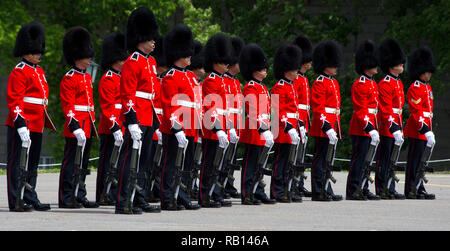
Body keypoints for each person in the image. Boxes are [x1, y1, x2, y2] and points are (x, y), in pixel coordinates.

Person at [115, 7, 161, 214]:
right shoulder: (132, 62)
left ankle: (138, 197)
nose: (154, 42)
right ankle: (123, 199)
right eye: (150, 38)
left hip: (149, 114)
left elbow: (153, 93)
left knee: (144, 161)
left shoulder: (151, 62)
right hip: (137, 115)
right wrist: (131, 121)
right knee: (129, 159)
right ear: (140, 38)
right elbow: (127, 94)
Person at [5, 21, 53, 212]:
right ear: (26, 50)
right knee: (17, 162)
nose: (39, 53)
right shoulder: (19, 71)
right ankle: (15, 199)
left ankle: (30, 195)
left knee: (32, 163)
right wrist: (20, 123)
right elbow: (14, 99)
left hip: (37, 122)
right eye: (35, 50)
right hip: (22, 122)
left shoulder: (39, 72)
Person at [159, 24, 202, 211]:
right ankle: (168, 197)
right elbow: (170, 105)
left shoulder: (190, 77)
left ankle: (182, 196)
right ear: (178, 54)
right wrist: (177, 128)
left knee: (187, 164)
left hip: (191, 126)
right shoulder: (170, 77)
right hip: (176, 128)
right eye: (187, 53)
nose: (190, 56)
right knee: (171, 164)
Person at [59, 26, 98, 209]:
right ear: (77, 55)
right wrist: (76, 127)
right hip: (77, 126)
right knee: (70, 163)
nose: (90, 57)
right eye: (86, 54)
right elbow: (68, 106)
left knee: (82, 163)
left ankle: (79, 193)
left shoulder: (86, 78)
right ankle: (66, 196)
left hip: (87, 124)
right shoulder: (69, 78)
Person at [239, 43, 277, 205]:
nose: (265, 70)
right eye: (262, 68)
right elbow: (253, 112)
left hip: (262, 129)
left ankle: (258, 190)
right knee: (251, 163)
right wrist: (263, 129)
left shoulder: (262, 87)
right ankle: (247, 193)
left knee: (261, 164)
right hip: (254, 130)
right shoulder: (250, 87)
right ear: (254, 70)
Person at [198, 33, 233, 208]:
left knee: (218, 163)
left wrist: (230, 127)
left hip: (222, 127)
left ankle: (215, 193)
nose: (227, 64)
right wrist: (218, 129)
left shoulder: (222, 80)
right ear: (214, 61)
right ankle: (204, 194)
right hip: (213, 128)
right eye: (223, 61)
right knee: (209, 163)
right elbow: (211, 108)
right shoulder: (211, 80)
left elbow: (225, 109)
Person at [96, 31, 128, 206]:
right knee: (107, 162)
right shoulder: (108, 79)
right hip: (110, 126)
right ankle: (103, 193)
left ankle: (114, 192)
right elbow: (107, 107)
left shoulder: (122, 78)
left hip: (122, 124)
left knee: (118, 163)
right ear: (115, 60)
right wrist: (115, 127)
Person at [346, 40, 381, 200]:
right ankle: (353, 189)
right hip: (361, 127)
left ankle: (364, 186)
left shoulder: (372, 83)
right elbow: (361, 109)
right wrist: (369, 127)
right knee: (358, 160)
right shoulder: (360, 84)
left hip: (370, 126)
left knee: (367, 160)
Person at [310, 40, 343, 201]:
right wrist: (327, 127)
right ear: (325, 64)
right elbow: (319, 108)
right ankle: (317, 190)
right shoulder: (320, 82)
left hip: (332, 124)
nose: (336, 67)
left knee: (328, 159)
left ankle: (326, 187)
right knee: (320, 159)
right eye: (333, 64)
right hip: (324, 126)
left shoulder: (333, 82)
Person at [270, 43, 303, 203]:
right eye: (294, 67)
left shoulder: (292, 86)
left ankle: (286, 189)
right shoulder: (279, 87)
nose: (297, 69)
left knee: (289, 161)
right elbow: (278, 110)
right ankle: (277, 191)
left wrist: (300, 125)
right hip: (283, 128)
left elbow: (296, 110)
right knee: (280, 161)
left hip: (292, 127)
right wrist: (289, 127)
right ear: (286, 69)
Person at [374, 38, 406, 200]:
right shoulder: (385, 83)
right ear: (391, 64)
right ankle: (381, 188)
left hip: (395, 124)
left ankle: (390, 187)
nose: (402, 64)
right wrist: (393, 127)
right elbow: (386, 109)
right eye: (399, 63)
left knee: (392, 159)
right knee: (384, 159)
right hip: (387, 126)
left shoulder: (397, 83)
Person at [404, 46, 436, 200]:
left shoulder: (427, 87)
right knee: (414, 161)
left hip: (425, 129)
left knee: (422, 162)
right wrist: (425, 129)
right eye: (427, 71)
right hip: (417, 129)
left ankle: (419, 187)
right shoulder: (415, 88)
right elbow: (416, 111)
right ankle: (410, 188)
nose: (429, 74)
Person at [221, 36, 245, 199]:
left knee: (232, 157)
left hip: (235, 124)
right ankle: (221, 184)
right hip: (226, 123)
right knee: (223, 157)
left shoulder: (236, 83)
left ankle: (228, 183)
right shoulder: (224, 81)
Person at [292, 35, 313, 198]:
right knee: (295, 154)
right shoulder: (296, 78)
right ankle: (293, 183)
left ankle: (299, 183)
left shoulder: (304, 79)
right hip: (296, 120)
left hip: (304, 119)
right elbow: (295, 104)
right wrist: (299, 122)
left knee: (302, 153)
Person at [185, 40, 205, 200]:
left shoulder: (197, 82)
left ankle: (190, 186)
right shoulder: (188, 78)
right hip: (185, 124)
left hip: (196, 125)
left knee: (193, 160)